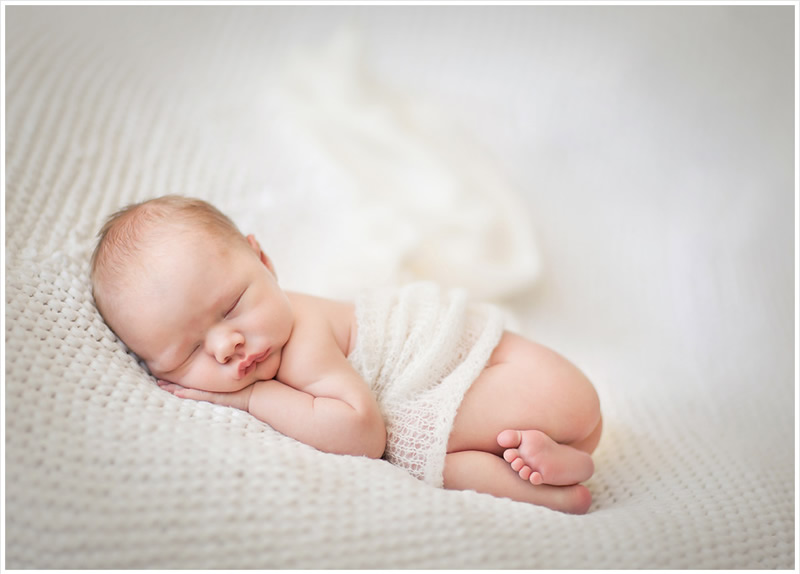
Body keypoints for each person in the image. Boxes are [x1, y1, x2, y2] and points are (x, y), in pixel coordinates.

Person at [90, 195, 602, 514]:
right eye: (189, 352)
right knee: (438, 460)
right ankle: (559, 471)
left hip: (522, 379)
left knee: (406, 445)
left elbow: (361, 434)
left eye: (231, 307)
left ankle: (557, 480)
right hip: (543, 401)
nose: (227, 346)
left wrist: (254, 400)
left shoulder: (303, 339)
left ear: (263, 260)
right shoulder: (269, 330)